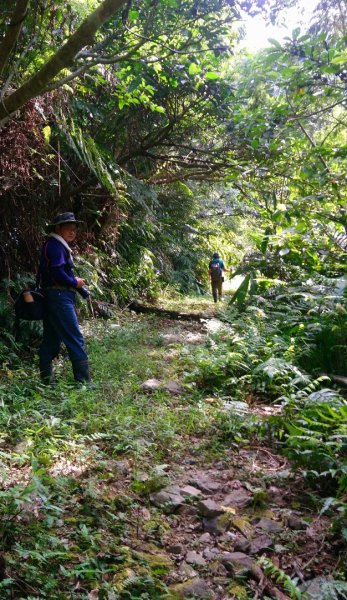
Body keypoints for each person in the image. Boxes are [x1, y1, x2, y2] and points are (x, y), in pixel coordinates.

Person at [38, 212, 94, 386]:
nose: (72, 232)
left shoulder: (55, 245)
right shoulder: (55, 245)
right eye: (68, 228)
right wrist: (74, 282)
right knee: (74, 337)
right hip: (59, 297)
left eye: (74, 229)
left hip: (54, 297)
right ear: (58, 229)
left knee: (51, 339)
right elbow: (57, 272)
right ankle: (84, 382)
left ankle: (46, 381)